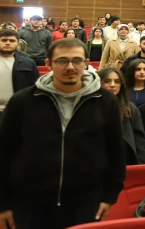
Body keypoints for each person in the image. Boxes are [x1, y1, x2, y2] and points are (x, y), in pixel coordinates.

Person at [0, 39, 126, 228]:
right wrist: (3, 203)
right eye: (62, 61)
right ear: (48, 63)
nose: (70, 67)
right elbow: (3, 152)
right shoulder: (22, 101)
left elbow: (116, 151)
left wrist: (110, 195)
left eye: (77, 60)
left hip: (85, 203)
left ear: (86, 63)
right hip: (29, 204)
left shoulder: (105, 101)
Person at [99, 68, 145, 165]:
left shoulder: (131, 108)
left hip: (127, 163)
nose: (112, 85)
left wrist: (141, 165)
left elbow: (140, 142)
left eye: (117, 82)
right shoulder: (90, 107)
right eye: (107, 81)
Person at [0, 29, 40, 113]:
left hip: (18, 110)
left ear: (18, 44)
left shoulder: (29, 63)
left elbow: (35, 87)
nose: (7, 43)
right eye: (4, 40)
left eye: (12, 41)